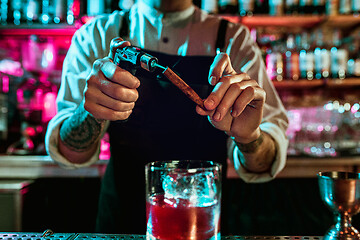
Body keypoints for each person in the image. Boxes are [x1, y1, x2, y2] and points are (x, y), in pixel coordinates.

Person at [45, 0, 288, 235]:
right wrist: (90, 113)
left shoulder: (234, 40)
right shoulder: (96, 34)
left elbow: (264, 164)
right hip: (121, 223)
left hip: (201, 219)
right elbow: (70, 153)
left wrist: (249, 137)